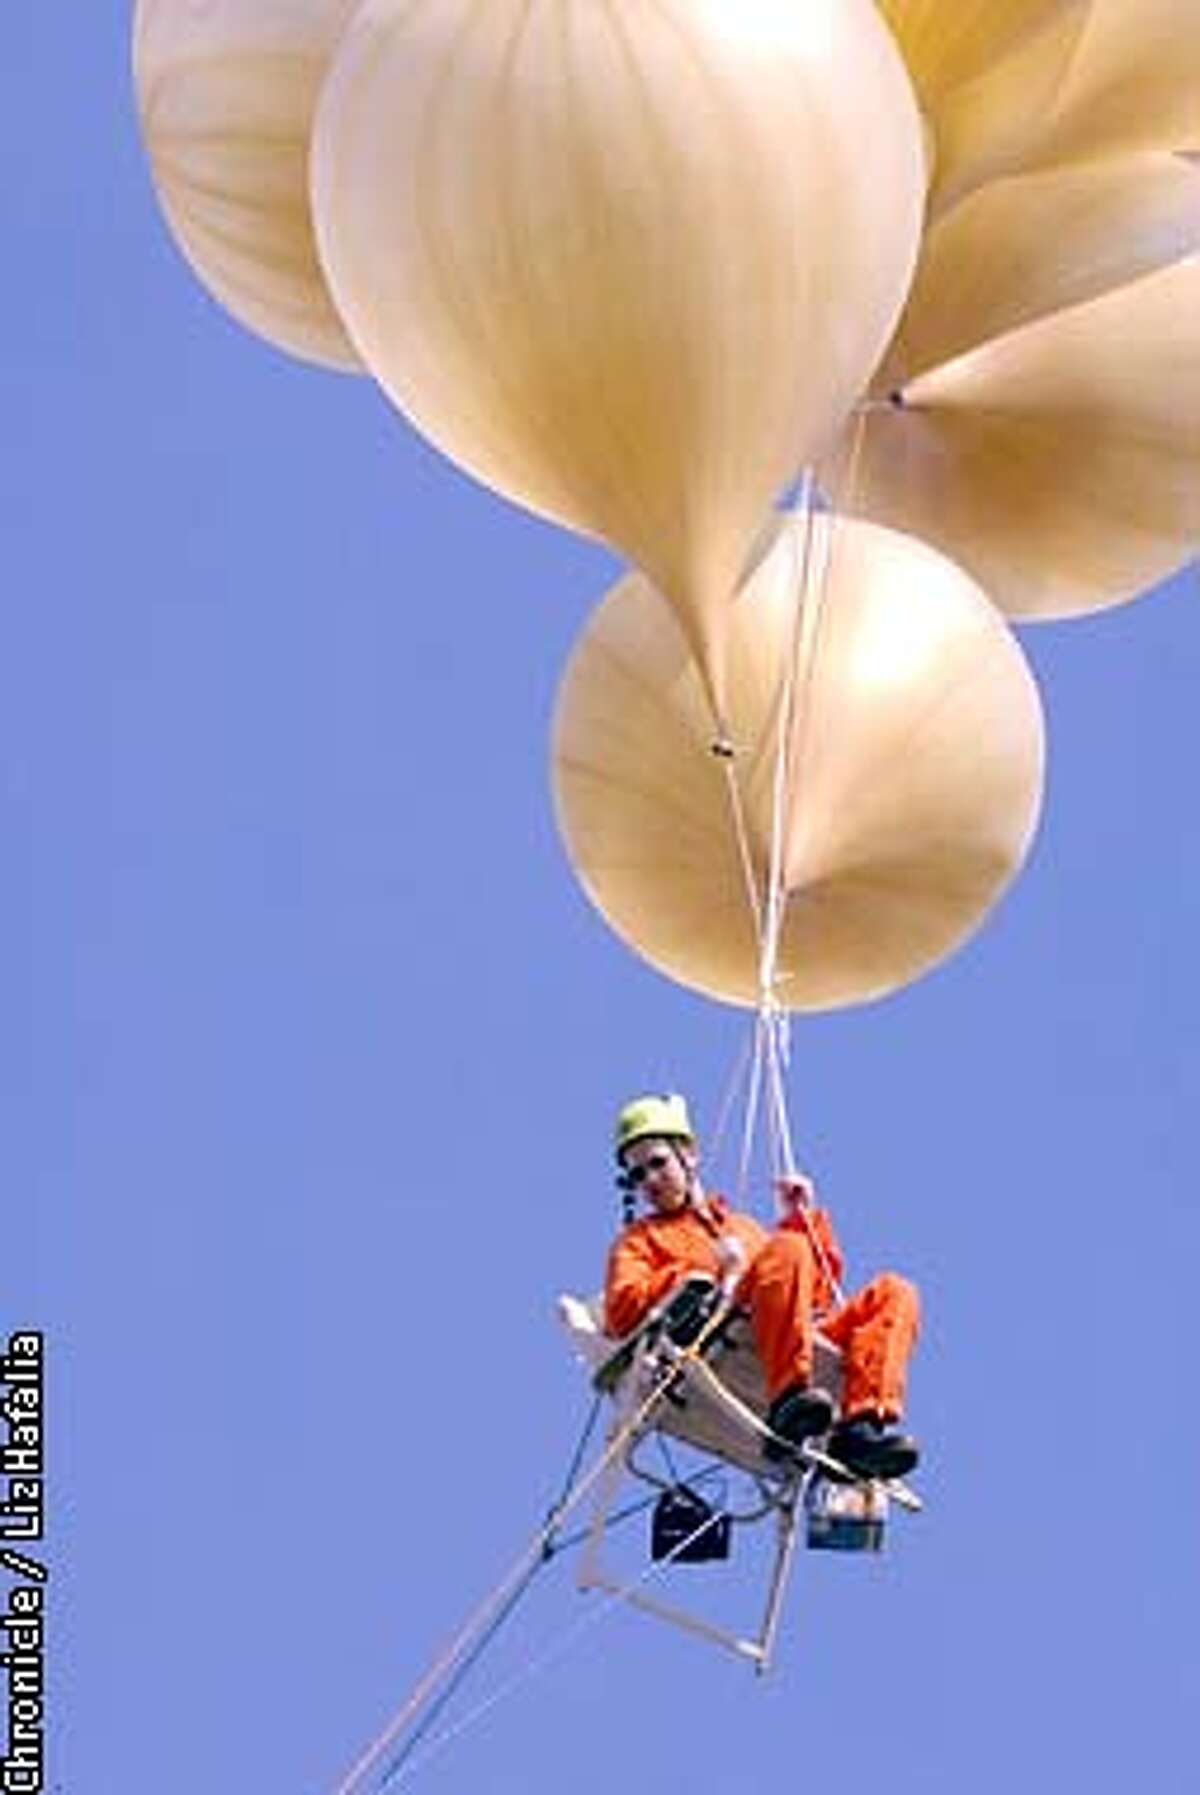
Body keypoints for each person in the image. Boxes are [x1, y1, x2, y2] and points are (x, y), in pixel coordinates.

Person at [604, 1093, 921, 1480]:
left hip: (786, 1337)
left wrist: (801, 1219)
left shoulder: (742, 1227)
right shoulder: (639, 1241)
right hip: (724, 1345)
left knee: (895, 1292)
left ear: (688, 1154)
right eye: (637, 1175)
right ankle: (789, 1399)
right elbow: (621, 1310)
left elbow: (814, 1298)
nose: (649, 1181)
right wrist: (701, 1270)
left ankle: (860, 1428)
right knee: (788, 1249)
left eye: (657, 1163)